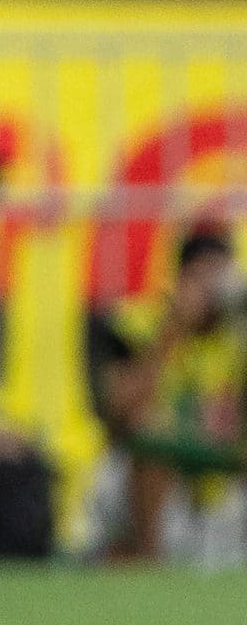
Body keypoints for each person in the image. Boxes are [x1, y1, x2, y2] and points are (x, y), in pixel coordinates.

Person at [92, 229, 247, 561]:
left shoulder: (237, 332)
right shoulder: (140, 321)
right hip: (148, 477)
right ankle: (148, 560)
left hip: (218, 473)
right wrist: (172, 330)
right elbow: (118, 412)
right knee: (148, 439)